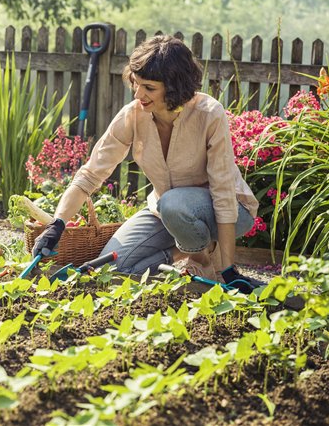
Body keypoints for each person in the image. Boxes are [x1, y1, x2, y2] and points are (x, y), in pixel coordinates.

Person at [30, 34, 265, 293]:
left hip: (228, 211)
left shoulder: (209, 114)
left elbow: (222, 191)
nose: (138, 94)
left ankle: (202, 258)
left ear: (175, 87)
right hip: (167, 212)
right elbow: (90, 175)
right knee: (113, 269)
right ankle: (180, 252)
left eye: (149, 88)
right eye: (136, 84)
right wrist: (57, 224)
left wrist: (229, 269)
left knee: (174, 204)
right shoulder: (133, 115)